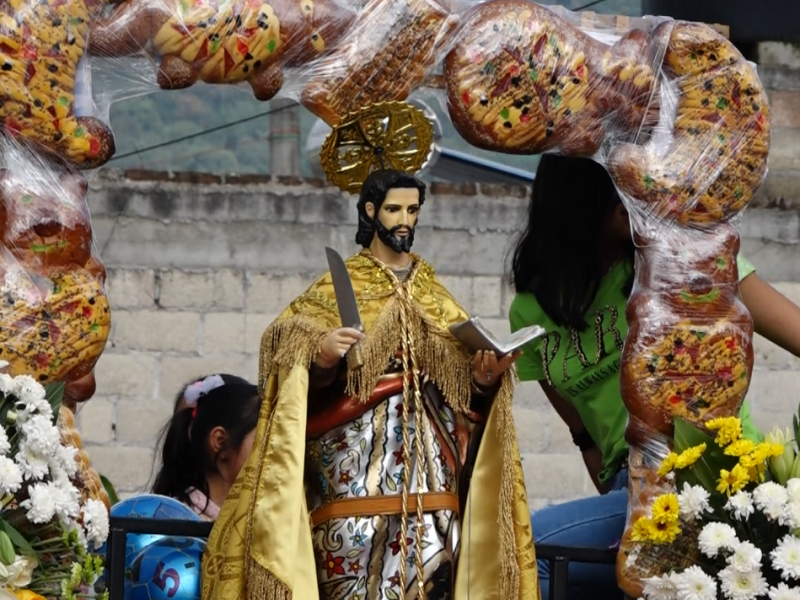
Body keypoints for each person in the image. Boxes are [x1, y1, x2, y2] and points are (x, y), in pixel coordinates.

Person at [202, 169, 539, 600]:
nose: (405, 220)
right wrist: (320, 353)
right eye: (395, 209)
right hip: (352, 489)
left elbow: (463, 406)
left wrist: (479, 381)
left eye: (412, 210)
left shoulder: (436, 297)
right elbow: (284, 343)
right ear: (370, 211)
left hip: (432, 500)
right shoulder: (334, 288)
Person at [507, 154, 800, 600]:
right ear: (579, 200)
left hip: (713, 479)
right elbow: (582, 432)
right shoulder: (530, 309)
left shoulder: (686, 260)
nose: (641, 198)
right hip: (633, 494)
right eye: (621, 191)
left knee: (528, 552)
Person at [152, 373, 261, 521]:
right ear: (220, 442)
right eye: (261, 439)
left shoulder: (250, 513)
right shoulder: (178, 521)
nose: (272, 451)